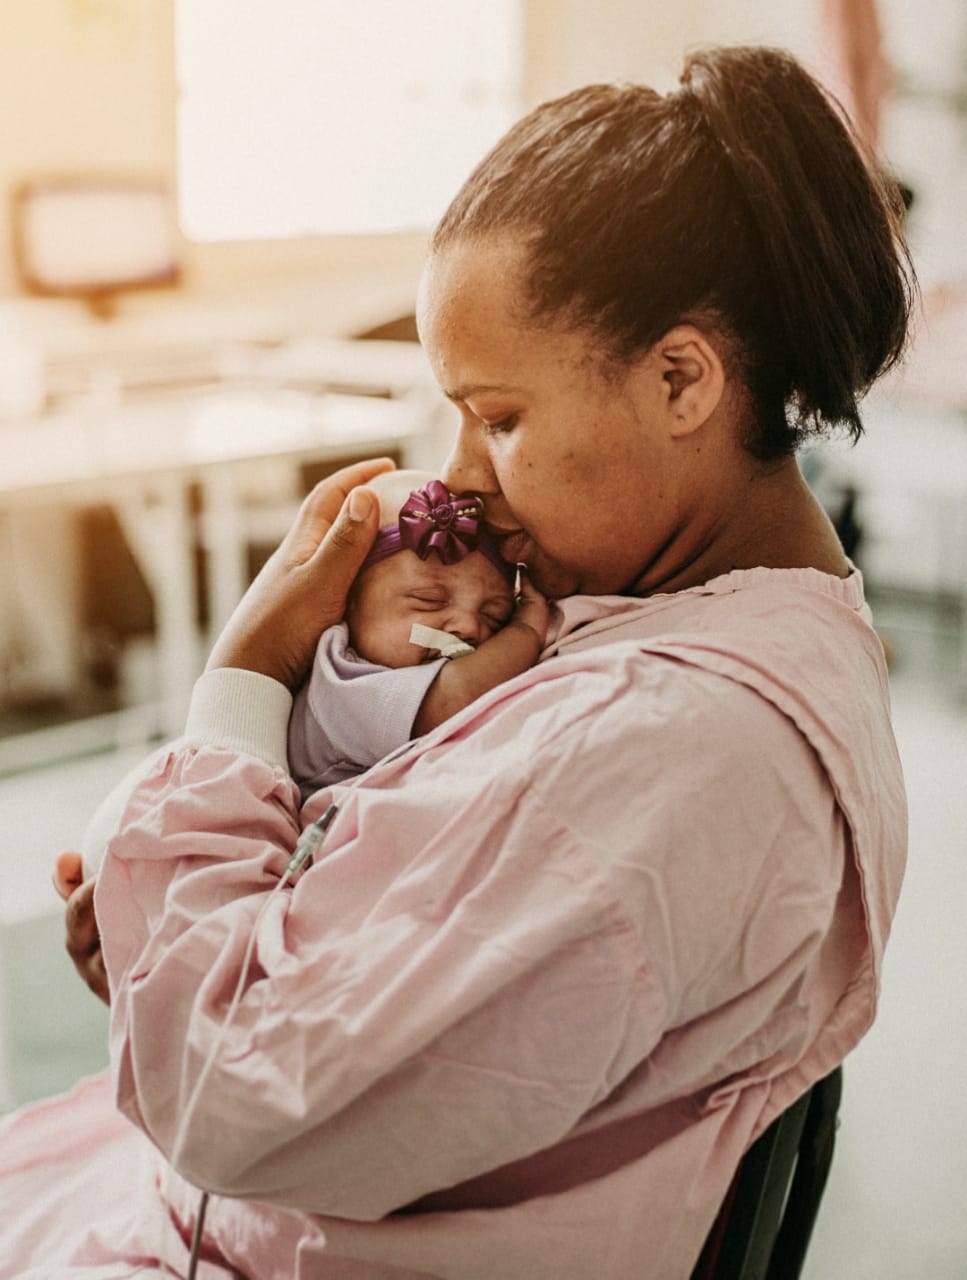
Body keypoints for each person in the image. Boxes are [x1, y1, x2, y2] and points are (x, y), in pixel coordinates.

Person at [2, 44, 912, 1280]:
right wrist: (179, 919)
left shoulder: (662, 743)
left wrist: (251, 666)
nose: (463, 477)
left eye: (500, 416)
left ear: (682, 377)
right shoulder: (690, 629)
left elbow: (224, 1089)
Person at [287, 467, 549, 797]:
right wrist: (524, 630)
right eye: (430, 600)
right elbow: (454, 696)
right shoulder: (342, 679)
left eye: (494, 616)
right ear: (349, 603)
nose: (468, 628)